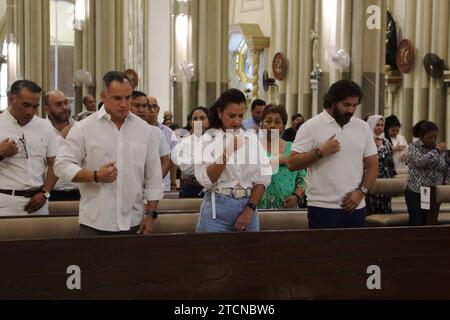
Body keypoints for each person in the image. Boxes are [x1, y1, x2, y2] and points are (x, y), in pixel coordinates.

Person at [55, 71, 163, 236]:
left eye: (128, 98)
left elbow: (154, 178)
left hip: (134, 221)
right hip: (94, 222)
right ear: (103, 96)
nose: (124, 104)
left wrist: (151, 215)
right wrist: (95, 175)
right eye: (117, 98)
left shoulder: (146, 131)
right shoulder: (84, 128)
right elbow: (62, 166)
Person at [288, 79, 378, 229]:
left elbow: (373, 165)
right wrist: (320, 152)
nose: (351, 110)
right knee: (324, 253)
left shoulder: (362, 127)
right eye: (346, 105)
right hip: (322, 208)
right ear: (332, 101)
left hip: (356, 206)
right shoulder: (311, 126)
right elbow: (292, 163)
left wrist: (361, 193)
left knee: (356, 252)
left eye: (354, 105)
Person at [194, 89, 271, 233]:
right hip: (217, 209)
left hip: (248, 206)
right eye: (231, 116)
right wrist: (229, 150)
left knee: (249, 254)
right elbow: (205, 180)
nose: (237, 121)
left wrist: (250, 209)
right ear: (219, 112)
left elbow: (263, 178)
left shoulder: (252, 139)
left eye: (241, 116)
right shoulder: (207, 140)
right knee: (211, 254)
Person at [0, 80, 59, 216]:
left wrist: (45, 192)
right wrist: (1, 153)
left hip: (38, 202)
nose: (30, 112)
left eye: (35, 107)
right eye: (25, 105)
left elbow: (55, 163)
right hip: (5, 201)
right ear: (11, 99)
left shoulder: (45, 126)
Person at [258, 105, 306, 209]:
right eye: (268, 121)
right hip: (260, 209)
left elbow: (303, 178)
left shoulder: (293, 148)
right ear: (261, 124)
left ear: (283, 126)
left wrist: (296, 196)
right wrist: (277, 160)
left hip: (289, 210)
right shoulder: (253, 147)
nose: (272, 125)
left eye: (277, 122)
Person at [405, 120, 449, 226]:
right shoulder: (413, 148)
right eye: (430, 138)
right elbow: (420, 162)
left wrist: (446, 183)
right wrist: (437, 152)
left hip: (434, 192)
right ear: (421, 136)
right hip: (416, 192)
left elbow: (445, 167)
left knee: (431, 222)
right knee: (417, 222)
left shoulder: (439, 148)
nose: (433, 140)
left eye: (435, 137)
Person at [44, 90, 80, 201]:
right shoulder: (40, 129)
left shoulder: (81, 128)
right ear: (47, 109)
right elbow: (42, 161)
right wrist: (61, 138)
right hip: (50, 192)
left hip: (78, 192)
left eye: (66, 103)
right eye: (58, 104)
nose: (64, 107)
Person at [131, 90, 171, 183]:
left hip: (149, 187)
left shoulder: (156, 132)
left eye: (144, 106)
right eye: (137, 106)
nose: (141, 110)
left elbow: (165, 162)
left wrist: (153, 182)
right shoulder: (120, 131)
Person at [172, 106, 210, 198]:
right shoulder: (184, 142)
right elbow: (187, 168)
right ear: (190, 122)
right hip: (190, 187)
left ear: (209, 121)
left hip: (211, 187)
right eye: (195, 119)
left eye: (202, 118)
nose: (198, 121)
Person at [366, 115, 396, 213]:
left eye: (382, 125)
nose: (380, 127)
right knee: (372, 203)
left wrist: (392, 176)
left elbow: (391, 160)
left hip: (385, 176)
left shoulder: (386, 142)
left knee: (385, 202)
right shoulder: (367, 141)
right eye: (377, 125)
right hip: (372, 175)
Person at [147, 96, 178, 191]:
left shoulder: (169, 132)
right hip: (144, 184)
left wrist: (173, 183)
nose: (152, 110)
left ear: (158, 109)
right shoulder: (138, 130)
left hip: (165, 185)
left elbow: (173, 160)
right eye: (148, 106)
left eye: (154, 106)